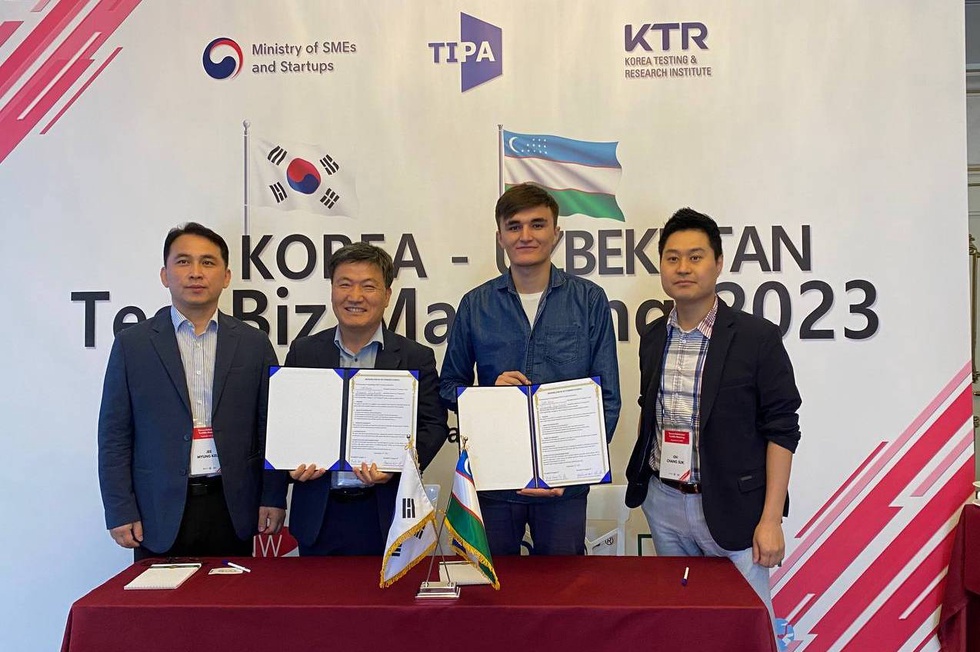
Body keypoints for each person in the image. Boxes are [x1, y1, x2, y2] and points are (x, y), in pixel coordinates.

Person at [625, 207, 802, 625]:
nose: (683, 268)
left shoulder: (757, 337)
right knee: (681, 625)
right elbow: (649, 410)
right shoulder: (653, 336)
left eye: (696, 256)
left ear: (719, 263)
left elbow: (782, 428)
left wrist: (771, 520)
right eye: (672, 258)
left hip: (733, 509)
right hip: (665, 502)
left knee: (747, 627)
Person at [440, 183, 621, 556]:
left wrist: (574, 469)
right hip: (494, 482)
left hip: (563, 486)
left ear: (556, 234)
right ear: (500, 237)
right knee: (493, 586)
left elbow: (608, 397)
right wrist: (488, 395)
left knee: (563, 586)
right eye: (514, 226)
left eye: (538, 225)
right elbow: (448, 385)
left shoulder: (589, 300)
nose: (526, 236)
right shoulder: (475, 305)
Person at [98, 222, 286, 560]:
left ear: (226, 276)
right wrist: (119, 508)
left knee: (230, 595)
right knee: (161, 596)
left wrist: (273, 496)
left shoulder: (253, 344)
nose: (196, 272)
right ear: (164, 274)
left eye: (208, 262)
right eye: (183, 261)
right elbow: (114, 435)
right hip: (158, 510)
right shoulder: (132, 345)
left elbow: (271, 427)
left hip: (233, 507)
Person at [284, 242, 448, 555]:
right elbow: (285, 422)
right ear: (332, 290)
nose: (355, 296)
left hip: (386, 512)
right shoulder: (304, 352)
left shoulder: (415, 357)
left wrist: (400, 465)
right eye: (344, 284)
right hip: (319, 513)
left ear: (387, 295)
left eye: (368, 286)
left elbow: (434, 425)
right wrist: (289, 465)